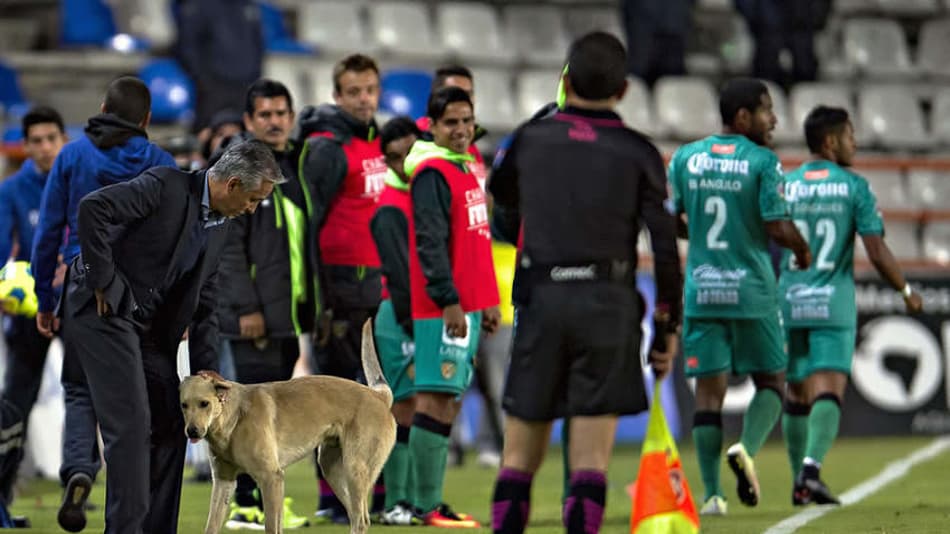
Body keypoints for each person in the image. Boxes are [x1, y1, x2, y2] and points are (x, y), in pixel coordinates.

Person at [488, 32, 682, 534]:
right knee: (590, 462)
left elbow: (501, 192)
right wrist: (667, 326)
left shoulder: (531, 140)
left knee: (518, 460)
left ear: (566, 80)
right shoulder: (638, 152)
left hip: (543, 299)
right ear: (623, 92)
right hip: (608, 303)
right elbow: (664, 245)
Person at [62, 139, 281, 533]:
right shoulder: (164, 185)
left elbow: (207, 303)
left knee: (171, 420)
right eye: (252, 199)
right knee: (132, 422)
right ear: (231, 185)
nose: (251, 209)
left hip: (146, 329)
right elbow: (93, 208)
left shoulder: (220, 227)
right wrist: (102, 279)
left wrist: (207, 367)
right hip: (102, 308)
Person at [30, 76, 177, 533]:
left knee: (82, 389)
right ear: (146, 119)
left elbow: (49, 230)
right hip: (145, 299)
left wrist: (44, 296)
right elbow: (171, 239)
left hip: (86, 289)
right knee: (138, 414)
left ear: (101, 107)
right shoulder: (160, 163)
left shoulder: (73, 155)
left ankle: (80, 469)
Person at [666, 77, 811, 515]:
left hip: (702, 291)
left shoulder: (685, 158)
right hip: (751, 290)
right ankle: (746, 448)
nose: (775, 119)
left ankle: (712, 496)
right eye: (767, 110)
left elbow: (673, 219)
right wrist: (803, 248)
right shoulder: (763, 161)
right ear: (743, 116)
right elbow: (776, 225)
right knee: (772, 379)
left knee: (708, 393)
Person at [780, 106, 922, 505]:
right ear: (830, 142)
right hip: (831, 301)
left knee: (796, 392)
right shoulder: (854, 187)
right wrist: (905, 290)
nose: (855, 143)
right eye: (849, 135)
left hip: (789, 300)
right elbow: (875, 251)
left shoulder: (785, 185)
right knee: (829, 389)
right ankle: (810, 471)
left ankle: (797, 482)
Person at [215, 79, 313, 529]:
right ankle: (249, 503)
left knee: (271, 415)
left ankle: (258, 502)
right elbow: (229, 249)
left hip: (285, 317)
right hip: (254, 317)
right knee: (250, 414)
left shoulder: (290, 170)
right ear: (249, 121)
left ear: (291, 118)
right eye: (265, 114)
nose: (275, 121)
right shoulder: (241, 172)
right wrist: (245, 308)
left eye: (281, 113)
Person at [297, 53, 388, 522]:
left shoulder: (375, 144)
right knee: (333, 400)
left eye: (369, 89)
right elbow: (310, 226)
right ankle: (333, 499)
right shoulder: (329, 147)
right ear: (337, 95)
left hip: (375, 287)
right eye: (353, 91)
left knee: (376, 396)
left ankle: (375, 493)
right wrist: (318, 299)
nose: (363, 99)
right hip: (338, 287)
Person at [406, 86, 501, 528]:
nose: (462, 130)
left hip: (469, 305)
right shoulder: (431, 174)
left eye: (467, 121)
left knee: (449, 402)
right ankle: (424, 505)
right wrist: (449, 301)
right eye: (452, 123)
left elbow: (476, 244)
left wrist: (488, 302)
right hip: (442, 307)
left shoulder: (467, 167)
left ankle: (433, 501)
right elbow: (429, 244)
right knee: (434, 399)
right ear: (433, 126)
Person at [0, 106, 66, 508]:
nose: (44, 148)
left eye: (50, 139)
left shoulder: (79, 182)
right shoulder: (10, 192)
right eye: (36, 141)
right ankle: (2, 494)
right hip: (28, 311)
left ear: (63, 141)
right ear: (25, 147)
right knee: (16, 403)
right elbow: (1, 251)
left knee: (83, 398)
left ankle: (78, 477)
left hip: (75, 307)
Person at [370, 116, 424, 525]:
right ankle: (397, 501)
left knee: (423, 407)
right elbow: (398, 272)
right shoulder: (390, 207)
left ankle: (414, 499)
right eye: (395, 156)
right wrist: (412, 321)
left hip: (424, 311)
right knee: (401, 408)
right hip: (402, 315)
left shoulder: (425, 193)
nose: (404, 161)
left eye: (411, 151)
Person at [175, 0, 263, 133]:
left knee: (243, 139)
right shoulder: (200, 5)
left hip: (245, 85)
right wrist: (203, 80)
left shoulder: (249, 5)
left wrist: (254, 75)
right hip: (214, 87)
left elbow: (258, 43)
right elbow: (188, 45)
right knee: (206, 136)